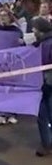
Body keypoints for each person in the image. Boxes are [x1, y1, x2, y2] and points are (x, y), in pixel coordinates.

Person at [31, 16, 52, 156]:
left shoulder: (47, 44)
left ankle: (46, 144)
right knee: (46, 115)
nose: (32, 30)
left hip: (47, 83)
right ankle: (47, 143)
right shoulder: (41, 43)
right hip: (45, 83)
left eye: (35, 28)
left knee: (45, 115)